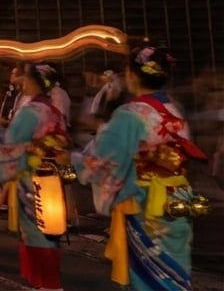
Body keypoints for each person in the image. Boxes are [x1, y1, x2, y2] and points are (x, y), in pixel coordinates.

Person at [76, 46, 206, 290]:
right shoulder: (174, 109)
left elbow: (105, 160)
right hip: (177, 196)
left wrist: (75, 161)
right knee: (175, 270)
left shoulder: (130, 113)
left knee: (150, 274)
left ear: (132, 75)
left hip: (147, 199)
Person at [0, 64, 69, 291]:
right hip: (52, 175)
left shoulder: (30, 112)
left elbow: (10, 145)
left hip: (31, 176)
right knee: (49, 228)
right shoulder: (53, 110)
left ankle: (46, 282)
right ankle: (49, 281)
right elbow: (63, 141)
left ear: (33, 82)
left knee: (35, 229)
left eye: (25, 80)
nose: (22, 84)